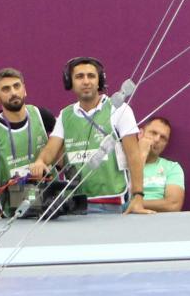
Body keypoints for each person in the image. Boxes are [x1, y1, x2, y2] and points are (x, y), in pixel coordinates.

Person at [33, 57, 147, 212]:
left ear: (99, 80)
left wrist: (138, 196)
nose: (86, 81)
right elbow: (51, 149)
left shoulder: (119, 110)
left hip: (111, 202)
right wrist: (40, 161)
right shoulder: (65, 115)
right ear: (70, 82)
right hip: (75, 204)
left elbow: (134, 155)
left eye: (91, 76)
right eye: (79, 77)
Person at [0, 68, 55, 219]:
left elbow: (60, 144)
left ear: (24, 90)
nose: (13, 92)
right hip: (12, 211)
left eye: (17, 86)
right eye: (6, 89)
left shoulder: (42, 115)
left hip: (50, 206)